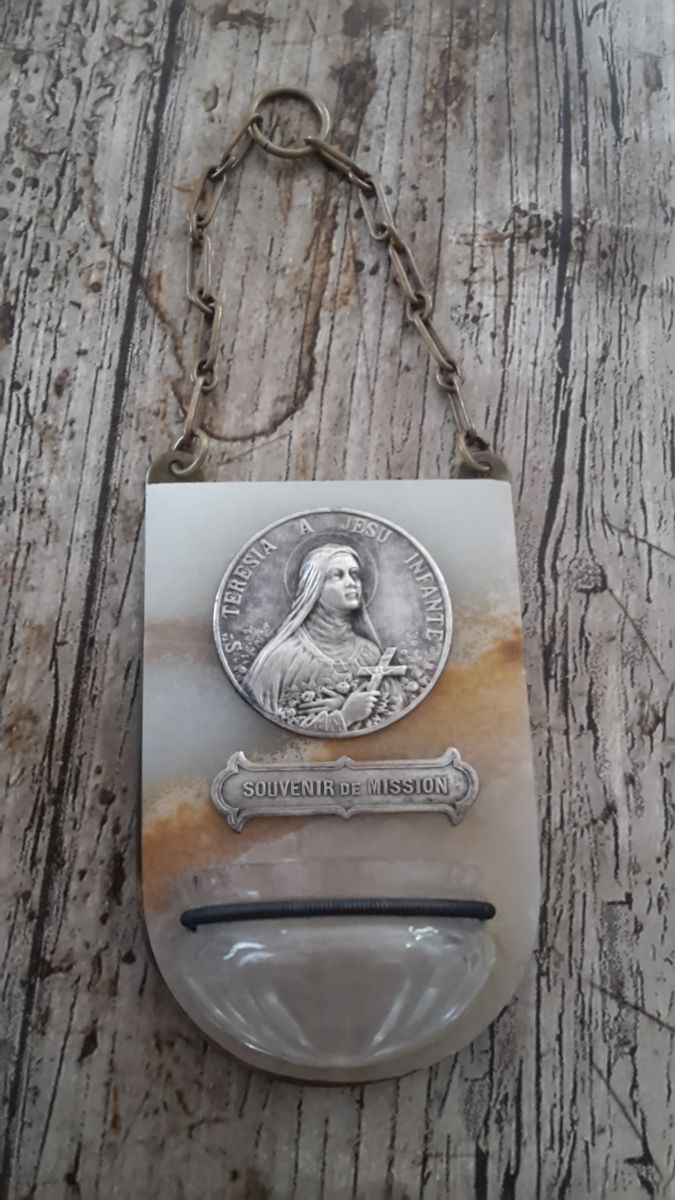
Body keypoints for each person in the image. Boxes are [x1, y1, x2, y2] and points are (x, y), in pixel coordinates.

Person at [244, 543, 405, 733]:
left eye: (354, 574)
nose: (351, 582)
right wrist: (344, 716)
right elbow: (263, 732)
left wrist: (347, 705)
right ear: (314, 586)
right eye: (337, 575)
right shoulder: (281, 658)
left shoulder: (371, 653)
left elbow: (396, 716)